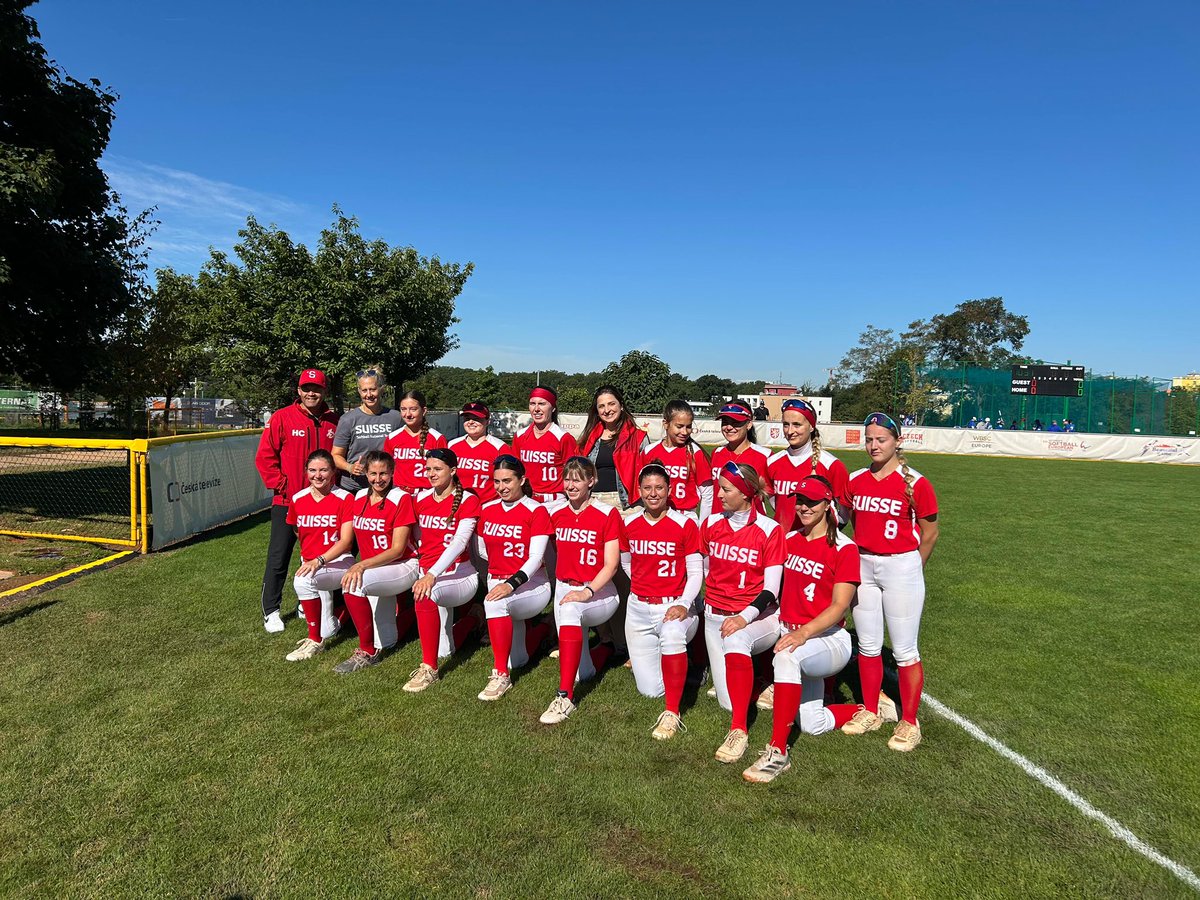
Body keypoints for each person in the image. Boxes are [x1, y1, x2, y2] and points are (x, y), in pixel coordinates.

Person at [742, 476, 864, 783]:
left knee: (786, 657)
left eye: (812, 502)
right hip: (799, 636)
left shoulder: (844, 548)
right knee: (812, 723)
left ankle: (778, 752)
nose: (804, 507)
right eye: (800, 501)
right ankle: (864, 711)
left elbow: (839, 606)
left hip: (829, 640)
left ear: (827, 505)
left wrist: (802, 633)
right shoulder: (792, 539)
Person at [844, 412, 939, 752]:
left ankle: (910, 722)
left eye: (880, 439)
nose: (873, 446)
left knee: (903, 649)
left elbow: (929, 534)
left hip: (901, 566)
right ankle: (870, 709)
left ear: (897, 441)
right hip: (863, 565)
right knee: (868, 645)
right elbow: (842, 522)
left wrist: (913, 567)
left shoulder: (916, 482)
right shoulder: (855, 480)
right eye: (869, 439)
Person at [700, 462, 786, 763]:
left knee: (737, 643)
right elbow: (707, 571)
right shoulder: (710, 524)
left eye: (727, 489)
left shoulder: (769, 529)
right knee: (727, 700)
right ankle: (759, 684)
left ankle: (739, 731)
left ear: (747, 493)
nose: (719, 494)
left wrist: (743, 617)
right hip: (715, 616)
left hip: (756, 617)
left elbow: (771, 589)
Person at [621, 462, 703, 740]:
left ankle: (672, 712)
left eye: (659, 487)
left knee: (671, 634)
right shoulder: (629, 522)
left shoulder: (685, 523)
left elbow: (695, 572)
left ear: (669, 489)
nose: (653, 493)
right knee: (650, 689)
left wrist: (683, 602)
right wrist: (645, 585)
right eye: (647, 488)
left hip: (674, 605)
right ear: (639, 490)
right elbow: (626, 563)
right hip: (639, 607)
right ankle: (683, 668)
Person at [539, 457, 624, 724]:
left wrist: (587, 591)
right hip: (565, 587)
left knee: (572, 610)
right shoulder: (556, 512)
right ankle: (606, 650)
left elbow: (611, 565)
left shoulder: (606, 513)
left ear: (592, 480)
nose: (571, 484)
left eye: (577, 479)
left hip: (599, 591)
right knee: (581, 671)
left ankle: (565, 696)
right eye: (567, 479)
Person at [255, 368, 340, 634]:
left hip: (324, 503)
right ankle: (272, 610)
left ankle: (308, 602)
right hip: (288, 502)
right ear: (299, 391)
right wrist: (286, 488)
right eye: (306, 388)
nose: (311, 393)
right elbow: (265, 459)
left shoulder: (334, 421)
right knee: (279, 557)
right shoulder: (282, 417)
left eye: (316, 388)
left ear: (324, 391)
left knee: (317, 556)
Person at [403, 448, 484, 693]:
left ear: (453, 471)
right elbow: (415, 536)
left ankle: (429, 668)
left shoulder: (468, 499)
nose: (431, 474)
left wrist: (431, 574)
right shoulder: (420, 498)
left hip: (460, 574)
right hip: (430, 573)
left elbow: (459, 543)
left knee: (425, 594)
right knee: (446, 648)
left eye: (437, 469)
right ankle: (474, 619)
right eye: (428, 469)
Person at [475, 455, 554, 701]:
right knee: (519, 659)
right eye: (497, 481)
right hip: (499, 581)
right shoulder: (487, 509)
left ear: (522, 479)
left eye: (507, 480)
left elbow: (536, 558)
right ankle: (544, 628)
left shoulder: (536, 510)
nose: (501, 487)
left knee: (495, 603)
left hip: (532, 585)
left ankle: (500, 675)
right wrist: (499, 578)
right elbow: (482, 550)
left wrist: (511, 583)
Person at [334, 450, 419, 672]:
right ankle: (414, 616)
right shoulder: (360, 497)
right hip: (377, 567)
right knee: (388, 640)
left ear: (392, 473)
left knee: (353, 584)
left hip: (403, 565)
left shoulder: (401, 498)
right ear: (366, 473)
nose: (378, 479)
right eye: (373, 473)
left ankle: (366, 651)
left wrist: (361, 564)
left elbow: (398, 550)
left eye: (383, 473)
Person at [285, 450, 355, 661]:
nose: (318, 475)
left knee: (303, 580)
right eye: (313, 470)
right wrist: (311, 558)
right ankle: (341, 616)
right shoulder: (298, 498)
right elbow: (298, 531)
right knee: (330, 628)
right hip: (313, 563)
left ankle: (315, 641)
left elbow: (346, 542)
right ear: (306, 472)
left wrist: (320, 559)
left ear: (333, 471)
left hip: (337, 561)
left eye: (324, 470)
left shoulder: (344, 498)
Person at [767, 398, 850, 535]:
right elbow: (775, 503)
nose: (790, 431)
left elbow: (844, 514)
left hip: (815, 548)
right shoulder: (773, 462)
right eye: (786, 424)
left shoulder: (831, 465)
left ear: (811, 426)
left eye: (797, 424)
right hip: (780, 543)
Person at [636, 400, 713, 520]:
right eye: (679, 426)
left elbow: (708, 493)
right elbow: (641, 486)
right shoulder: (649, 451)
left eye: (688, 427)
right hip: (656, 515)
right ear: (666, 424)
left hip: (685, 515)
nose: (684, 432)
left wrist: (703, 527)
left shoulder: (695, 453)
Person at [576, 385, 649, 510]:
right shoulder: (588, 438)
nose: (607, 410)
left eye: (611, 404)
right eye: (601, 406)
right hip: (592, 501)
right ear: (597, 411)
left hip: (626, 505)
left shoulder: (638, 437)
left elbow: (649, 473)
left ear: (621, 405)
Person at [332, 368, 403, 493]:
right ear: (359, 391)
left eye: (373, 389)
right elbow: (336, 455)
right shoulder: (348, 419)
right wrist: (350, 467)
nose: (369, 394)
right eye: (364, 390)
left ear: (381, 389)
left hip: (385, 486)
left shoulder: (395, 417)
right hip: (354, 487)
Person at [510, 386, 578, 507]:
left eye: (542, 403)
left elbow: (574, 473)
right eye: (532, 403)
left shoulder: (563, 437)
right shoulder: (520, 436)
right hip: (526, 499)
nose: (536, 409)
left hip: (554, 502)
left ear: (553, 408)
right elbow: (513, 471)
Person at [709, 401, 772, 516]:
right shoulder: (716, 453)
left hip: (751, 528)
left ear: (748, 424)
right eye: (725, 422)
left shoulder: (765, 456)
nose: (728, 427)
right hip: (719, 527)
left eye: (735, 422)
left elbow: (775, 499)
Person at [383, 390, 448, 494]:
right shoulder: (392, 438)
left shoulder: (437, 438)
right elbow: (386, 468)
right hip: (399, 494)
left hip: (427, 494)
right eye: (403, 409)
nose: (408, 414)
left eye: (413, 409)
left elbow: (444, 472)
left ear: (424, 410)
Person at [447, 402, 511, 505]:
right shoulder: (452, 445)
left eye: (476, 418)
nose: (471, 422)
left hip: (487, 507)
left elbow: (509, 481)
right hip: (456, 505)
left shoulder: (500, 448)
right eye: (467, 418)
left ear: (487, 421)